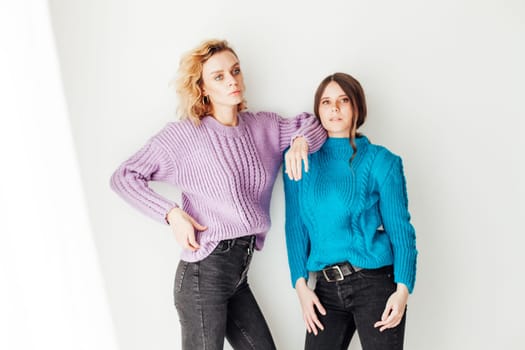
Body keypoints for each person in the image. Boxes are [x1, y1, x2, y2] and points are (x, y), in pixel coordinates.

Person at [110, 39, 326, 350]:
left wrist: (300, 142)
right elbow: (124, 177)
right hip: (203, 273)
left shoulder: (262, 126)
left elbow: (312, 125)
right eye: (219, 76)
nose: (232, 80)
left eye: (235, 71)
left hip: (238, 275)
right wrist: (171, 214)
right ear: (202, 88)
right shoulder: (184, 136)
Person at [283, 72, 417, 350]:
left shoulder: (382, 161)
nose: (334, 108)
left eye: (343, 100)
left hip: (375, 284)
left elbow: (401, 231)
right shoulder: (298, 161)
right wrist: (300, 288)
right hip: (325, 290)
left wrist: (403, 290)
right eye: (326, 102)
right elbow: (295, 226)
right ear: (317, 109)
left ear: (357, 106)